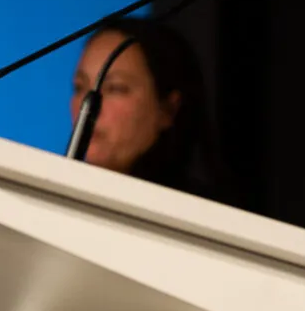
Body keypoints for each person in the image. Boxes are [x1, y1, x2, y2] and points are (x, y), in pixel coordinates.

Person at [70, 16, 230, 203]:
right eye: (79, 87)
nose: (88, 106)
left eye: (116, 88)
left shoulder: (208, 214)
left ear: (167, 109)